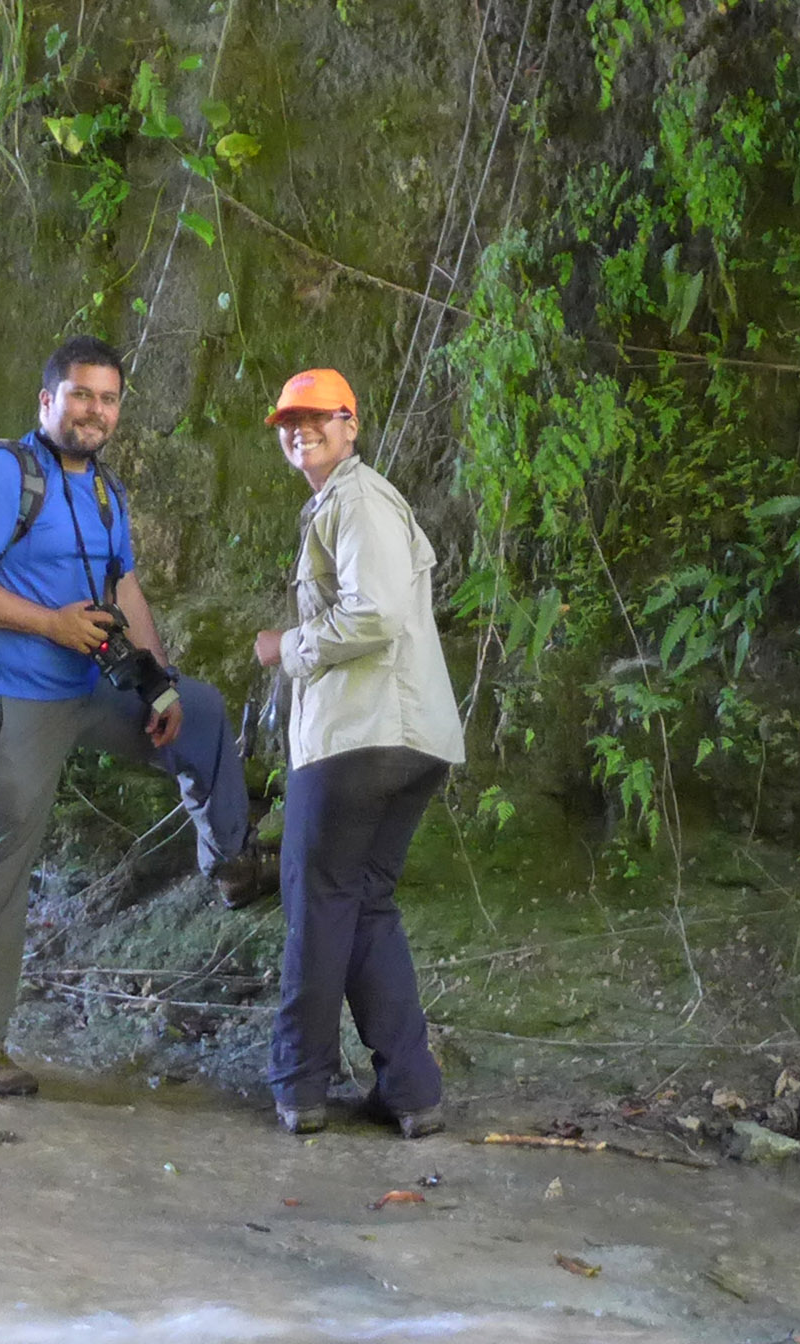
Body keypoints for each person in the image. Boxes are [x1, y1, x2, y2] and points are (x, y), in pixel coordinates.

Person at [0, 335, 267, 1097]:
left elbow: (128, 588)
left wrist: (158, 685)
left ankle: (232, 863)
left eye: (108, 399)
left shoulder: (105, 492)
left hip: (86, 686)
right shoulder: (2, 475)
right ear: (47, 401)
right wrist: (49, 624)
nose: (94, 411)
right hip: (6, 695)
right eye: (80, 395)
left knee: (202, 711)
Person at [252, 368, 463, 1139]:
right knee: (363, 904)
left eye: (315, 417)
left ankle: (299, 1085)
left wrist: (288, 647)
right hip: (409, 741)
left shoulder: (359, 499)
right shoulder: (346, 502)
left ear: (351, 423)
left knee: (317, 899)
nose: (298, 429)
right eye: (287, 421)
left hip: (359, 739)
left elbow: (373, 615)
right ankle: (411, 1091)